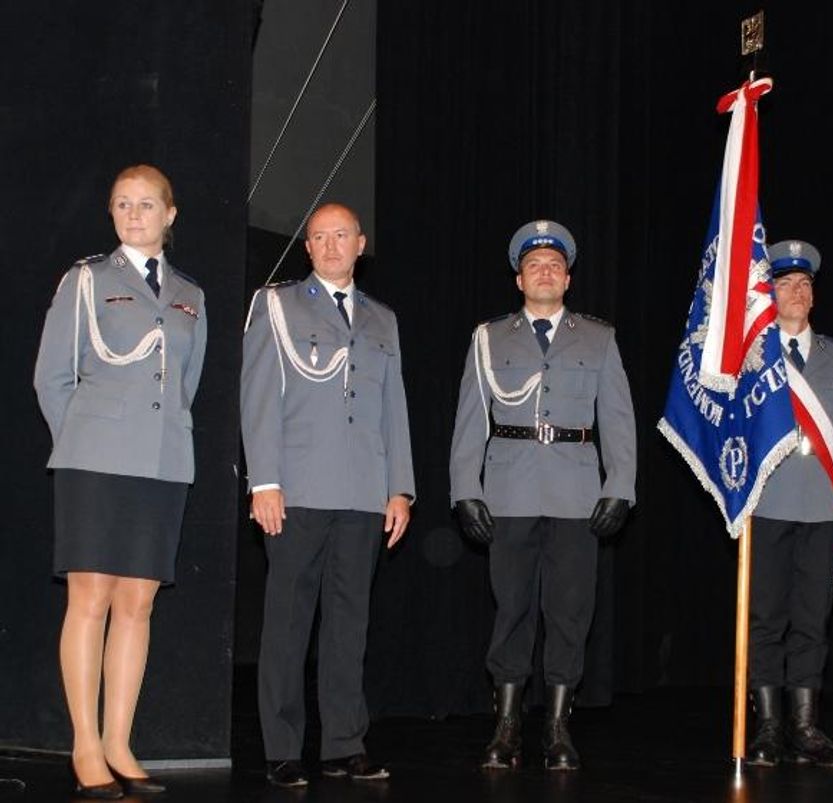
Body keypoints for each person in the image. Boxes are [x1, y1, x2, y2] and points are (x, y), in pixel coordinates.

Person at [34, 164, 207, 799]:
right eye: (121, 204)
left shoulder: (191, 294)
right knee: (91, 599)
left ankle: (118, 741)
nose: (133, 214)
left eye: (145, 204)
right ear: (112, 214)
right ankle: (84, 744)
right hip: (94, 461)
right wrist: (86, 440)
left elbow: (185, 386)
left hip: (161, 463)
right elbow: (51, 379)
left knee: (137, 604)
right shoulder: (85, 282)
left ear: (170, 214)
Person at [449, 220, 636, 771]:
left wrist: (620, 486)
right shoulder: (489, 338)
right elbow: (469, 419)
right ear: (519, 278)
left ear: (569, 277)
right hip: (508, 491)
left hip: (577, 494)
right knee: (511, 610)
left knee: (570, 612)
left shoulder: (599, 338)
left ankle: (557, 726)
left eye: (555, 265)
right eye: (535, 266)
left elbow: (619, 419)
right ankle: (507, 728)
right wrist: (466, 489)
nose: (545, 272)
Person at [241, 203, 415, 788]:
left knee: (349, 623)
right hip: (297, 490)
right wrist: (263, 480)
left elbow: (395, 410)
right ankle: (283, 748)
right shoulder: (277, 305)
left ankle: (344, 744)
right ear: (307, 247)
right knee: (287, 622)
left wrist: (400, 489)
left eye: (342, 235)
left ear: (360, 244)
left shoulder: (383, 320)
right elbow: (259, 397)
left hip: (364, 492)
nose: (331, 245)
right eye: (319, 236)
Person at [745, 239, 833, 769]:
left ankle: (804, 724)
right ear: (770, 296)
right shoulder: (750, 357)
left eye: (805, 284)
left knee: (811, 620)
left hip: (824, 501)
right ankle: (769, 726)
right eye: (785, 284)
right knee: (765, 618)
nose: (797, 291)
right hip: (768, 499)